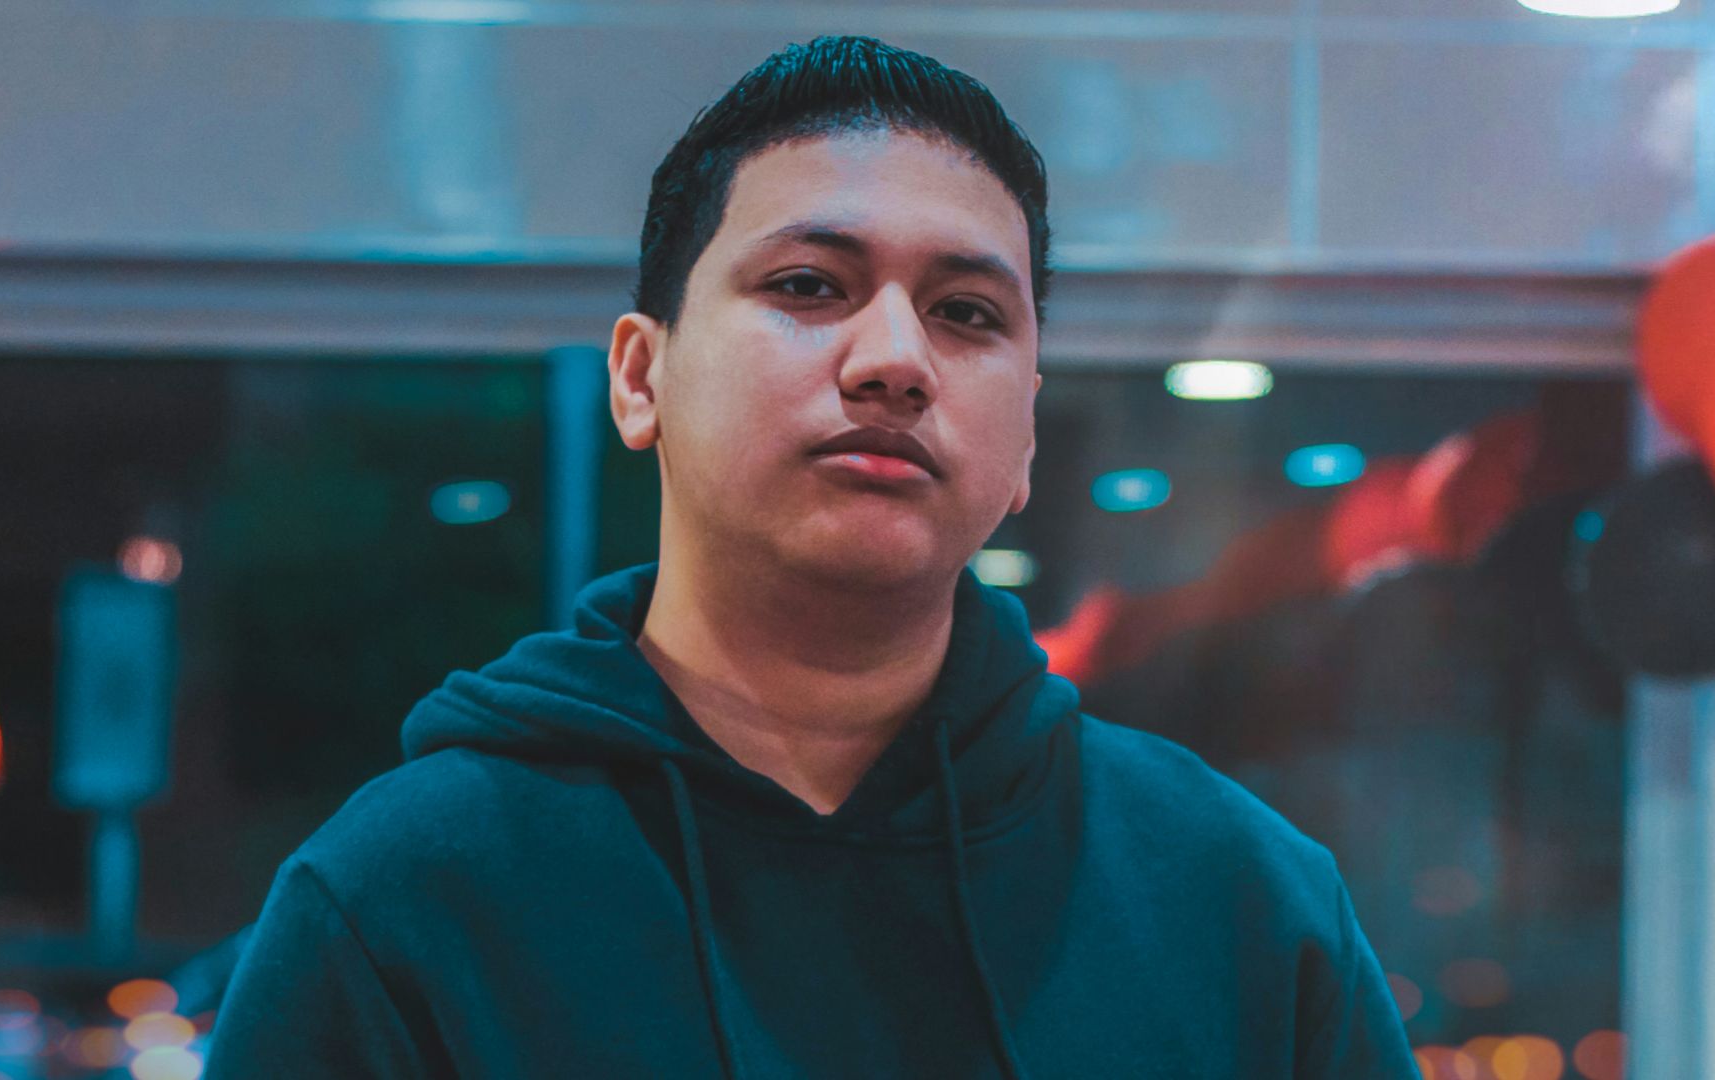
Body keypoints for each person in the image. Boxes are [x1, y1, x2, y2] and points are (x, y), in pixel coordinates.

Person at [204, 35, 1419, 1079]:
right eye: (808, 283)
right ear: (641, 376)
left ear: (1028, 437)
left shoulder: (1236, 899)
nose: (895, 356)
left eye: (968, 313)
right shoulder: (409, 898)